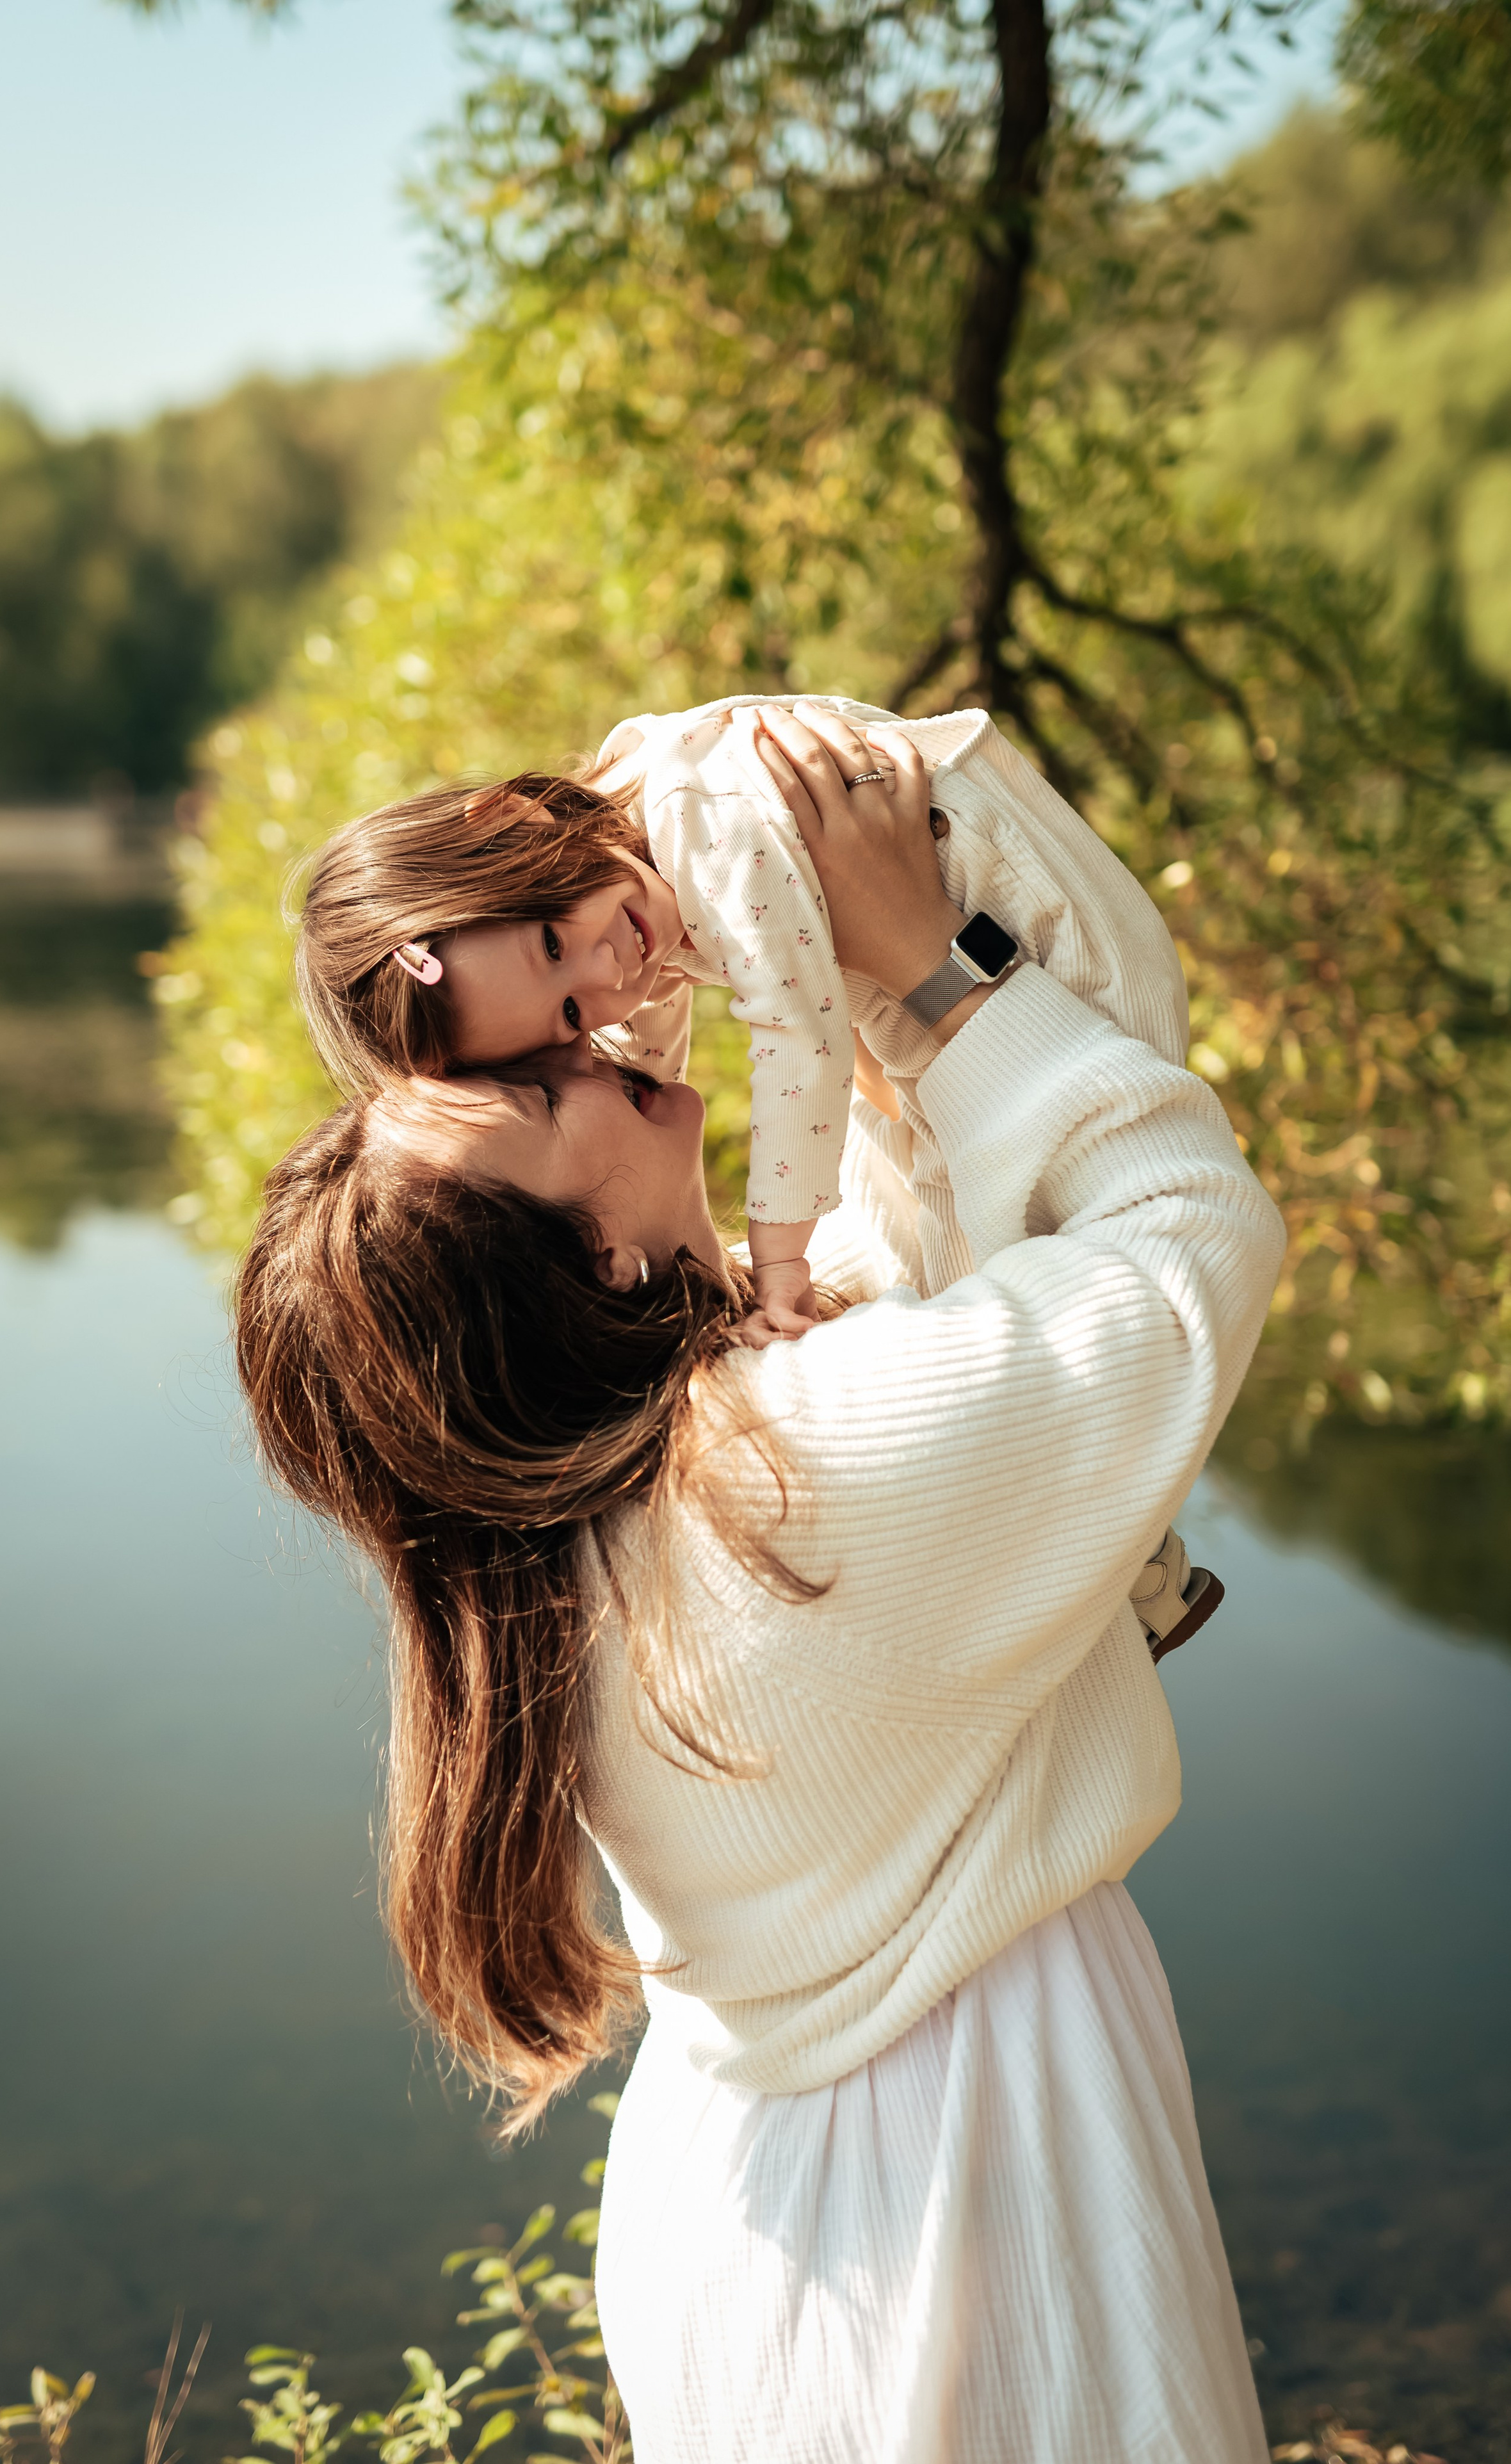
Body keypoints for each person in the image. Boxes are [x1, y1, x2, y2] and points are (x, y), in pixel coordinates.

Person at [236, 703, 1286, 2462]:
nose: (575, 1049)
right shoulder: (787, 1482)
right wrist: (935, 975)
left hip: (757, 2206)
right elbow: (1185, 1233)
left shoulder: (589, 1510)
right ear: (596, 1263)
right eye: (535, 1092)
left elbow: (908, 1269)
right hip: (956, 2197)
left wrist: (849, 964)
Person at [289, 692, 1220, 1658]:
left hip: (1061, 944)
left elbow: (801, 1040)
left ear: (504, 821)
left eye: (553, 946)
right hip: (998, 959)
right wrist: (641, 1093)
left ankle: (1130, 1560)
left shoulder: (703, 828)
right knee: (1008, 1237)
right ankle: (1130, 1561)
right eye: (567, 1024)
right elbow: (658, 1034)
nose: (608, 978)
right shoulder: (624, 864)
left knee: (1029, 1232)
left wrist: (779, 1261)